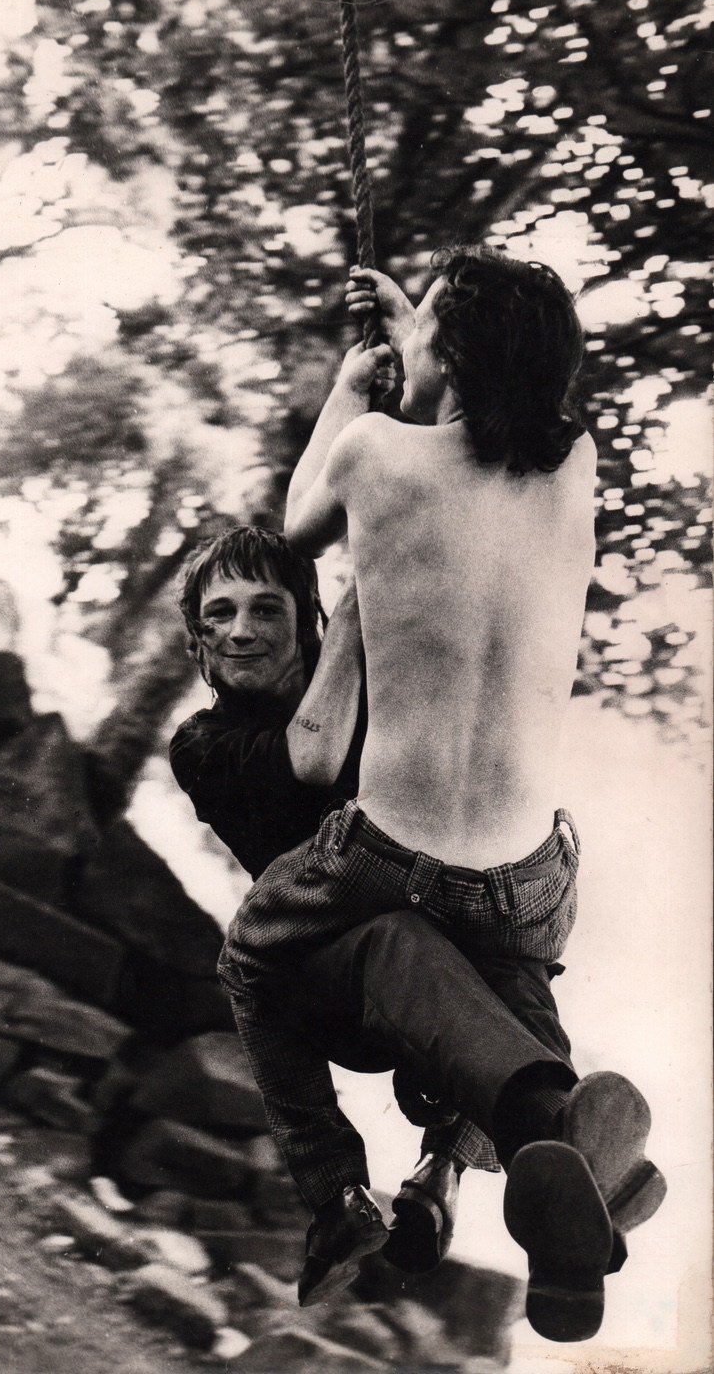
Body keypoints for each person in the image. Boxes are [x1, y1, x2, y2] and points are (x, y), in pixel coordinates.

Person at [214, 246, 666, 1339]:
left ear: (448, 354)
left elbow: (295, 526)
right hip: (525, 871)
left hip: (390, 843)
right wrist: (423, 331)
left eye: (427, 338)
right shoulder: (574, 469)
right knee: (500, 979)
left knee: (248, 955)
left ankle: (331, 1190)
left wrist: (347, 388)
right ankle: (555, 1140)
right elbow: (474, 407)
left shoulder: (375, 453)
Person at [170, 525, 507, 1276]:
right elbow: (311, 759)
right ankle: (336, 1192)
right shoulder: (202, 744)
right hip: (326, 987)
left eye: (265, 608)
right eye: (218, 614)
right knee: (247, 966)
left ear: (302, 616)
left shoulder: (390, 695)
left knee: (513, 945)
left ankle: (441, 1176)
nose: (241, 631)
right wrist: (359, 605)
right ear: (197, 641)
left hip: (437, 971)